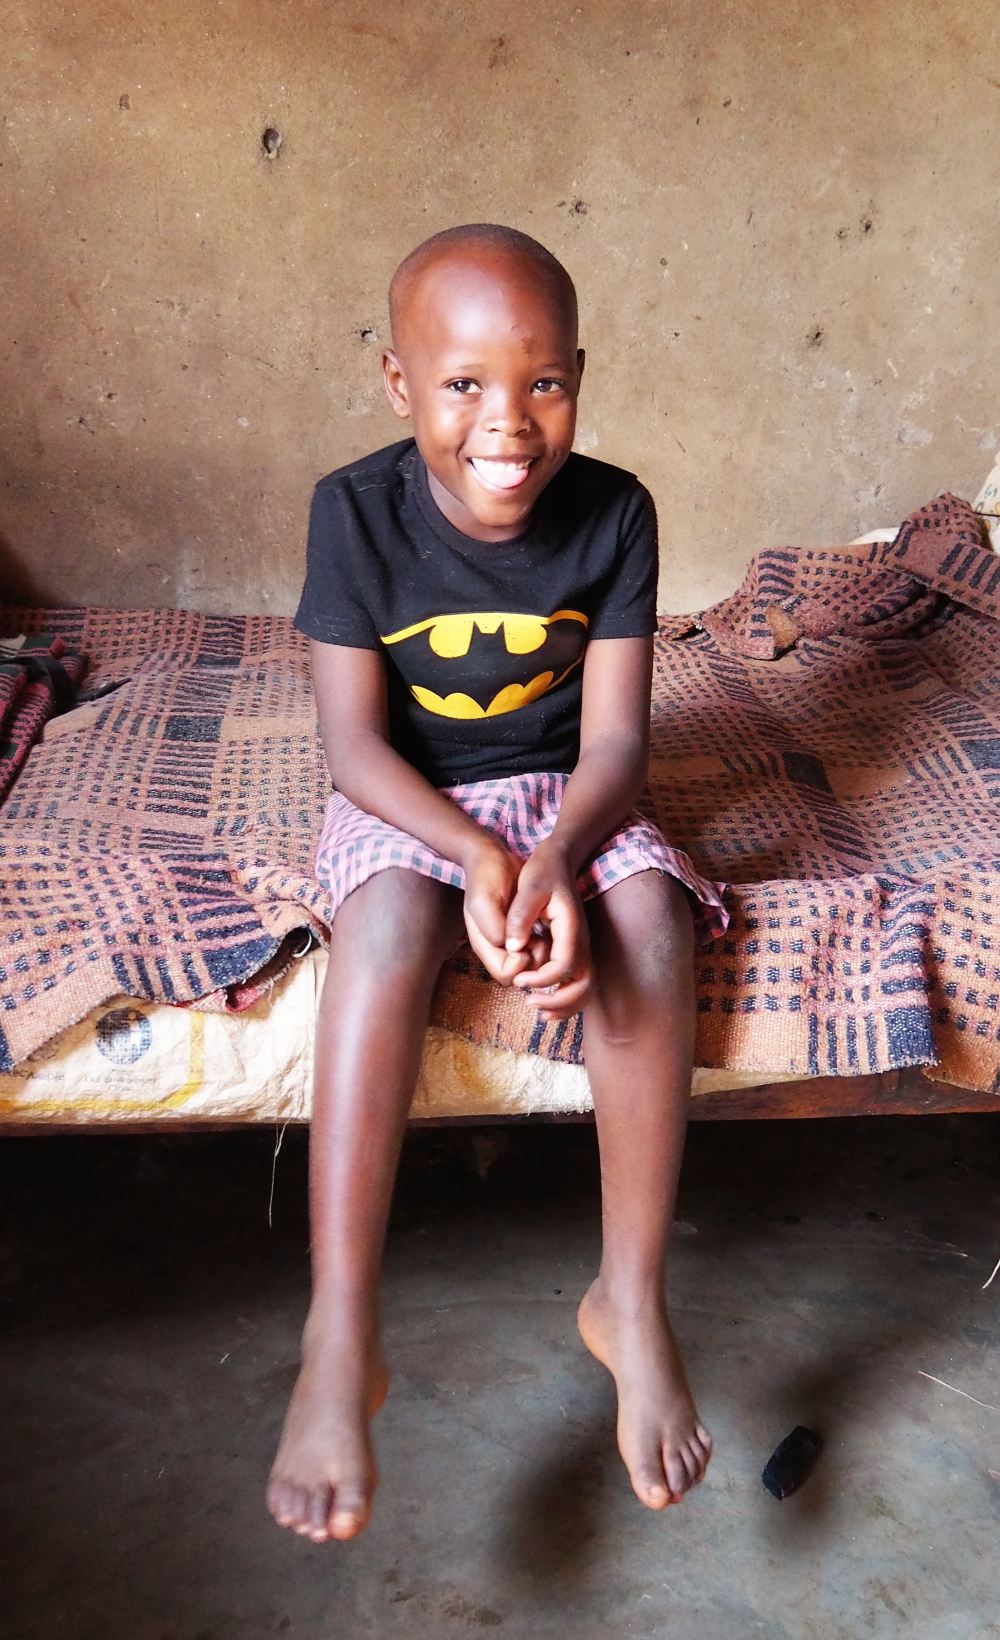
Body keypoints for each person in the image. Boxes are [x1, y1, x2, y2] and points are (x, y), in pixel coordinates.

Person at [267, 224, 728, 1545]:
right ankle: (341, 1329)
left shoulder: (618, 511)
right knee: (381, 929)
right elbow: (354, 750)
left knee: (652, 924)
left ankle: (628, 1296)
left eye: (544, 382)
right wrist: (477, 857)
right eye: (464, 383)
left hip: (567, 797)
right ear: (397, 382)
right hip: (411, 798)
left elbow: (620, 747)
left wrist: (559, 860)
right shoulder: (353, 513)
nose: (509, 424)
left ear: (580, 374)